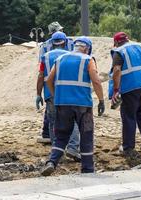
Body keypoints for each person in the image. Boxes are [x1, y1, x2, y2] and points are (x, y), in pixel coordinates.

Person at [41, 36, 105, 176]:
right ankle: (87, 169)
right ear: (87, 49)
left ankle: (51, 162)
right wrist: (101, 100)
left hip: (62, 103)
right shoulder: (88, 60)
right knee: (86, 135)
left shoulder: (60, 59)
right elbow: (96, 80)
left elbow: (49, 80)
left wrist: (56, 95)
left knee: (62, 136)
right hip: (83, 105)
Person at [110, 32, 141, 157]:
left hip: (130, 87)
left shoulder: (119, 51)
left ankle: (128, 148)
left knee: (128, 116)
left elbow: (116, 70)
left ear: (116, 43)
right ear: (128, 39)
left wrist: (116, 90)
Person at [36, 31, 81, 161]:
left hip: (50, 94)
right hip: (67, 94)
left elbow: (41, 76)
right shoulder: (71, 55)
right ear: (65, 42)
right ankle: (72, 148)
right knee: (72, 121)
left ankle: (56, 151)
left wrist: (38, 94)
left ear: (52, 43)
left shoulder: (45, 56)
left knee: (53, 122)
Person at [36, 21, 74, 144]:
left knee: (52, 117)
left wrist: (39, 93)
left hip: (50, 89)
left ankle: (54, 143)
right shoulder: (70, 46)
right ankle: (69, 144)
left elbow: (41, 72)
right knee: (69, 117)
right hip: (66, 88)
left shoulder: (45, 50)